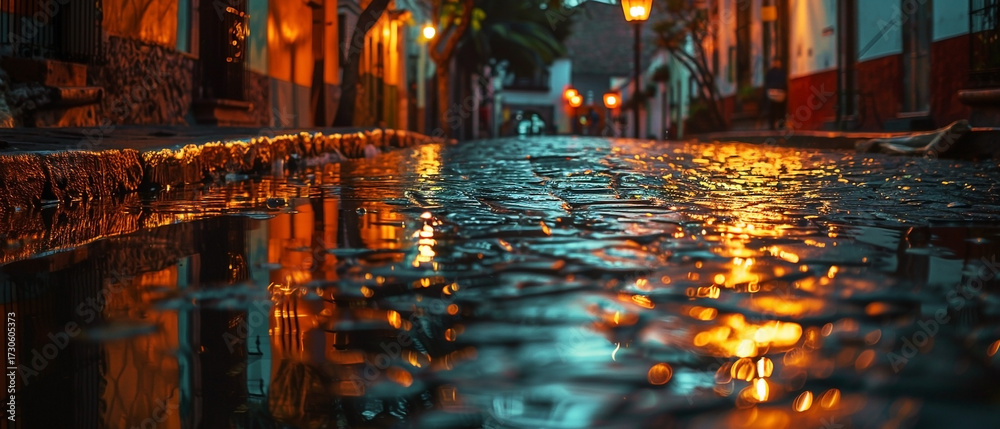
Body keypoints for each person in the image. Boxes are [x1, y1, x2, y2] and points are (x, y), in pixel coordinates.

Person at [764, 59, 787, 130]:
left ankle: (771, 125)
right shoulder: (782, 72)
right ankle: (781, 125)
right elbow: (784, 82)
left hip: (771, 93)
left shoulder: (770, 72)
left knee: (772, 110)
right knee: (781, 110)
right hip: (780, 93)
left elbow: (767, 83)